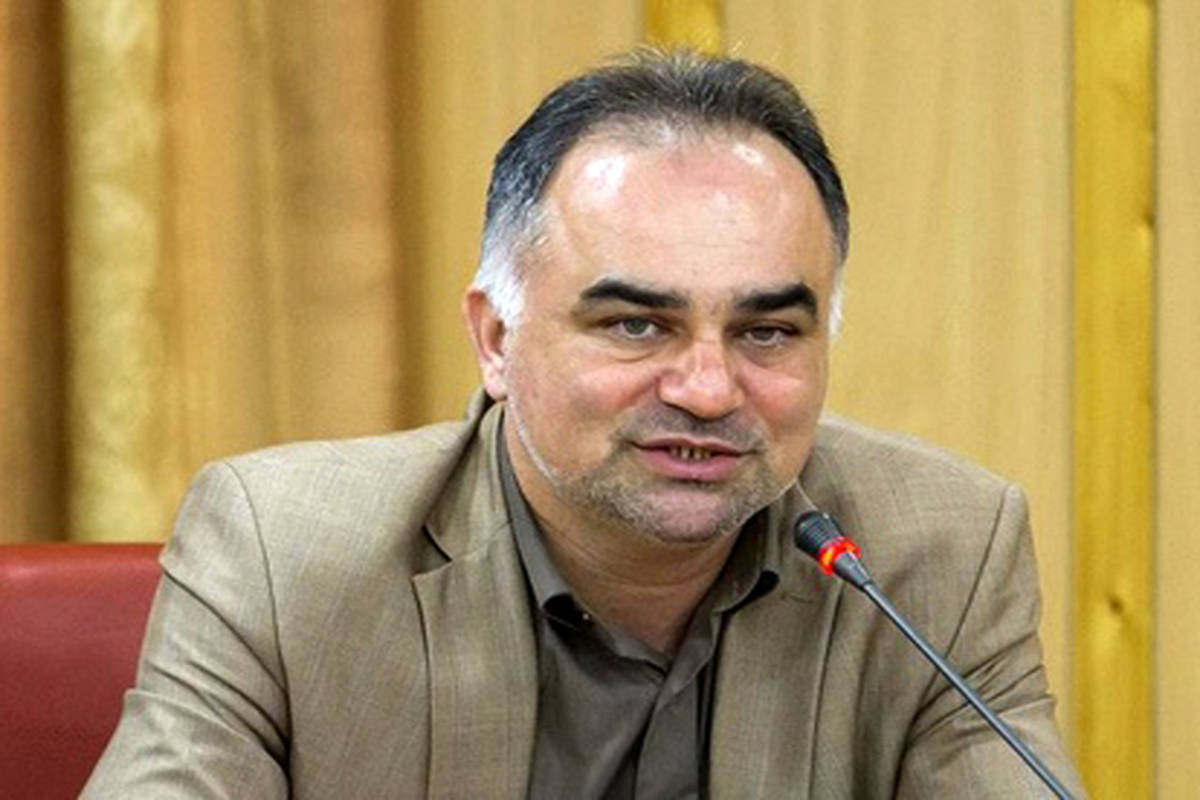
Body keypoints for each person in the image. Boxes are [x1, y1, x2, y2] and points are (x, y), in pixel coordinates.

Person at [84, 49, 1083, 798]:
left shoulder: (936, 554)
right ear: (495, 339)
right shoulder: (282, 550)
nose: (708, 389)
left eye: (767, 331)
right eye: (636, 324)